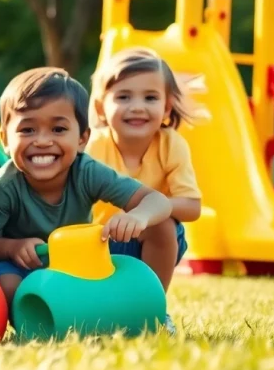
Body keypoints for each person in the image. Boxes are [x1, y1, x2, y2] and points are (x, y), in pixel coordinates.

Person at [0, 68, 173, 315]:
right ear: (5, 139)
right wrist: (12, 248)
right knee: (7, 285)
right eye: (27, 130)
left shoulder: (86, 171)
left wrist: (138, 217)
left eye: (58, 129)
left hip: (82, 261)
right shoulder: (3, 187)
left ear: (82, 138)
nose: (42, 141)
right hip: (25, 268)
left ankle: (151, 310)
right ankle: (38, 319)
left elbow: (158, 201)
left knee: (161, 225)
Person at [86, 48, 200, 333]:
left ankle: (152, 310)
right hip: (97, 243)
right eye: (123, 97)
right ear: (101, 107)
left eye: (150, 97)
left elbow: (192, 206)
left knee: (166, 224)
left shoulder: (171, 144)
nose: (137, 106)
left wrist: (146, 213)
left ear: (167, 107)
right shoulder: (96, 146)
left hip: (150, 243)